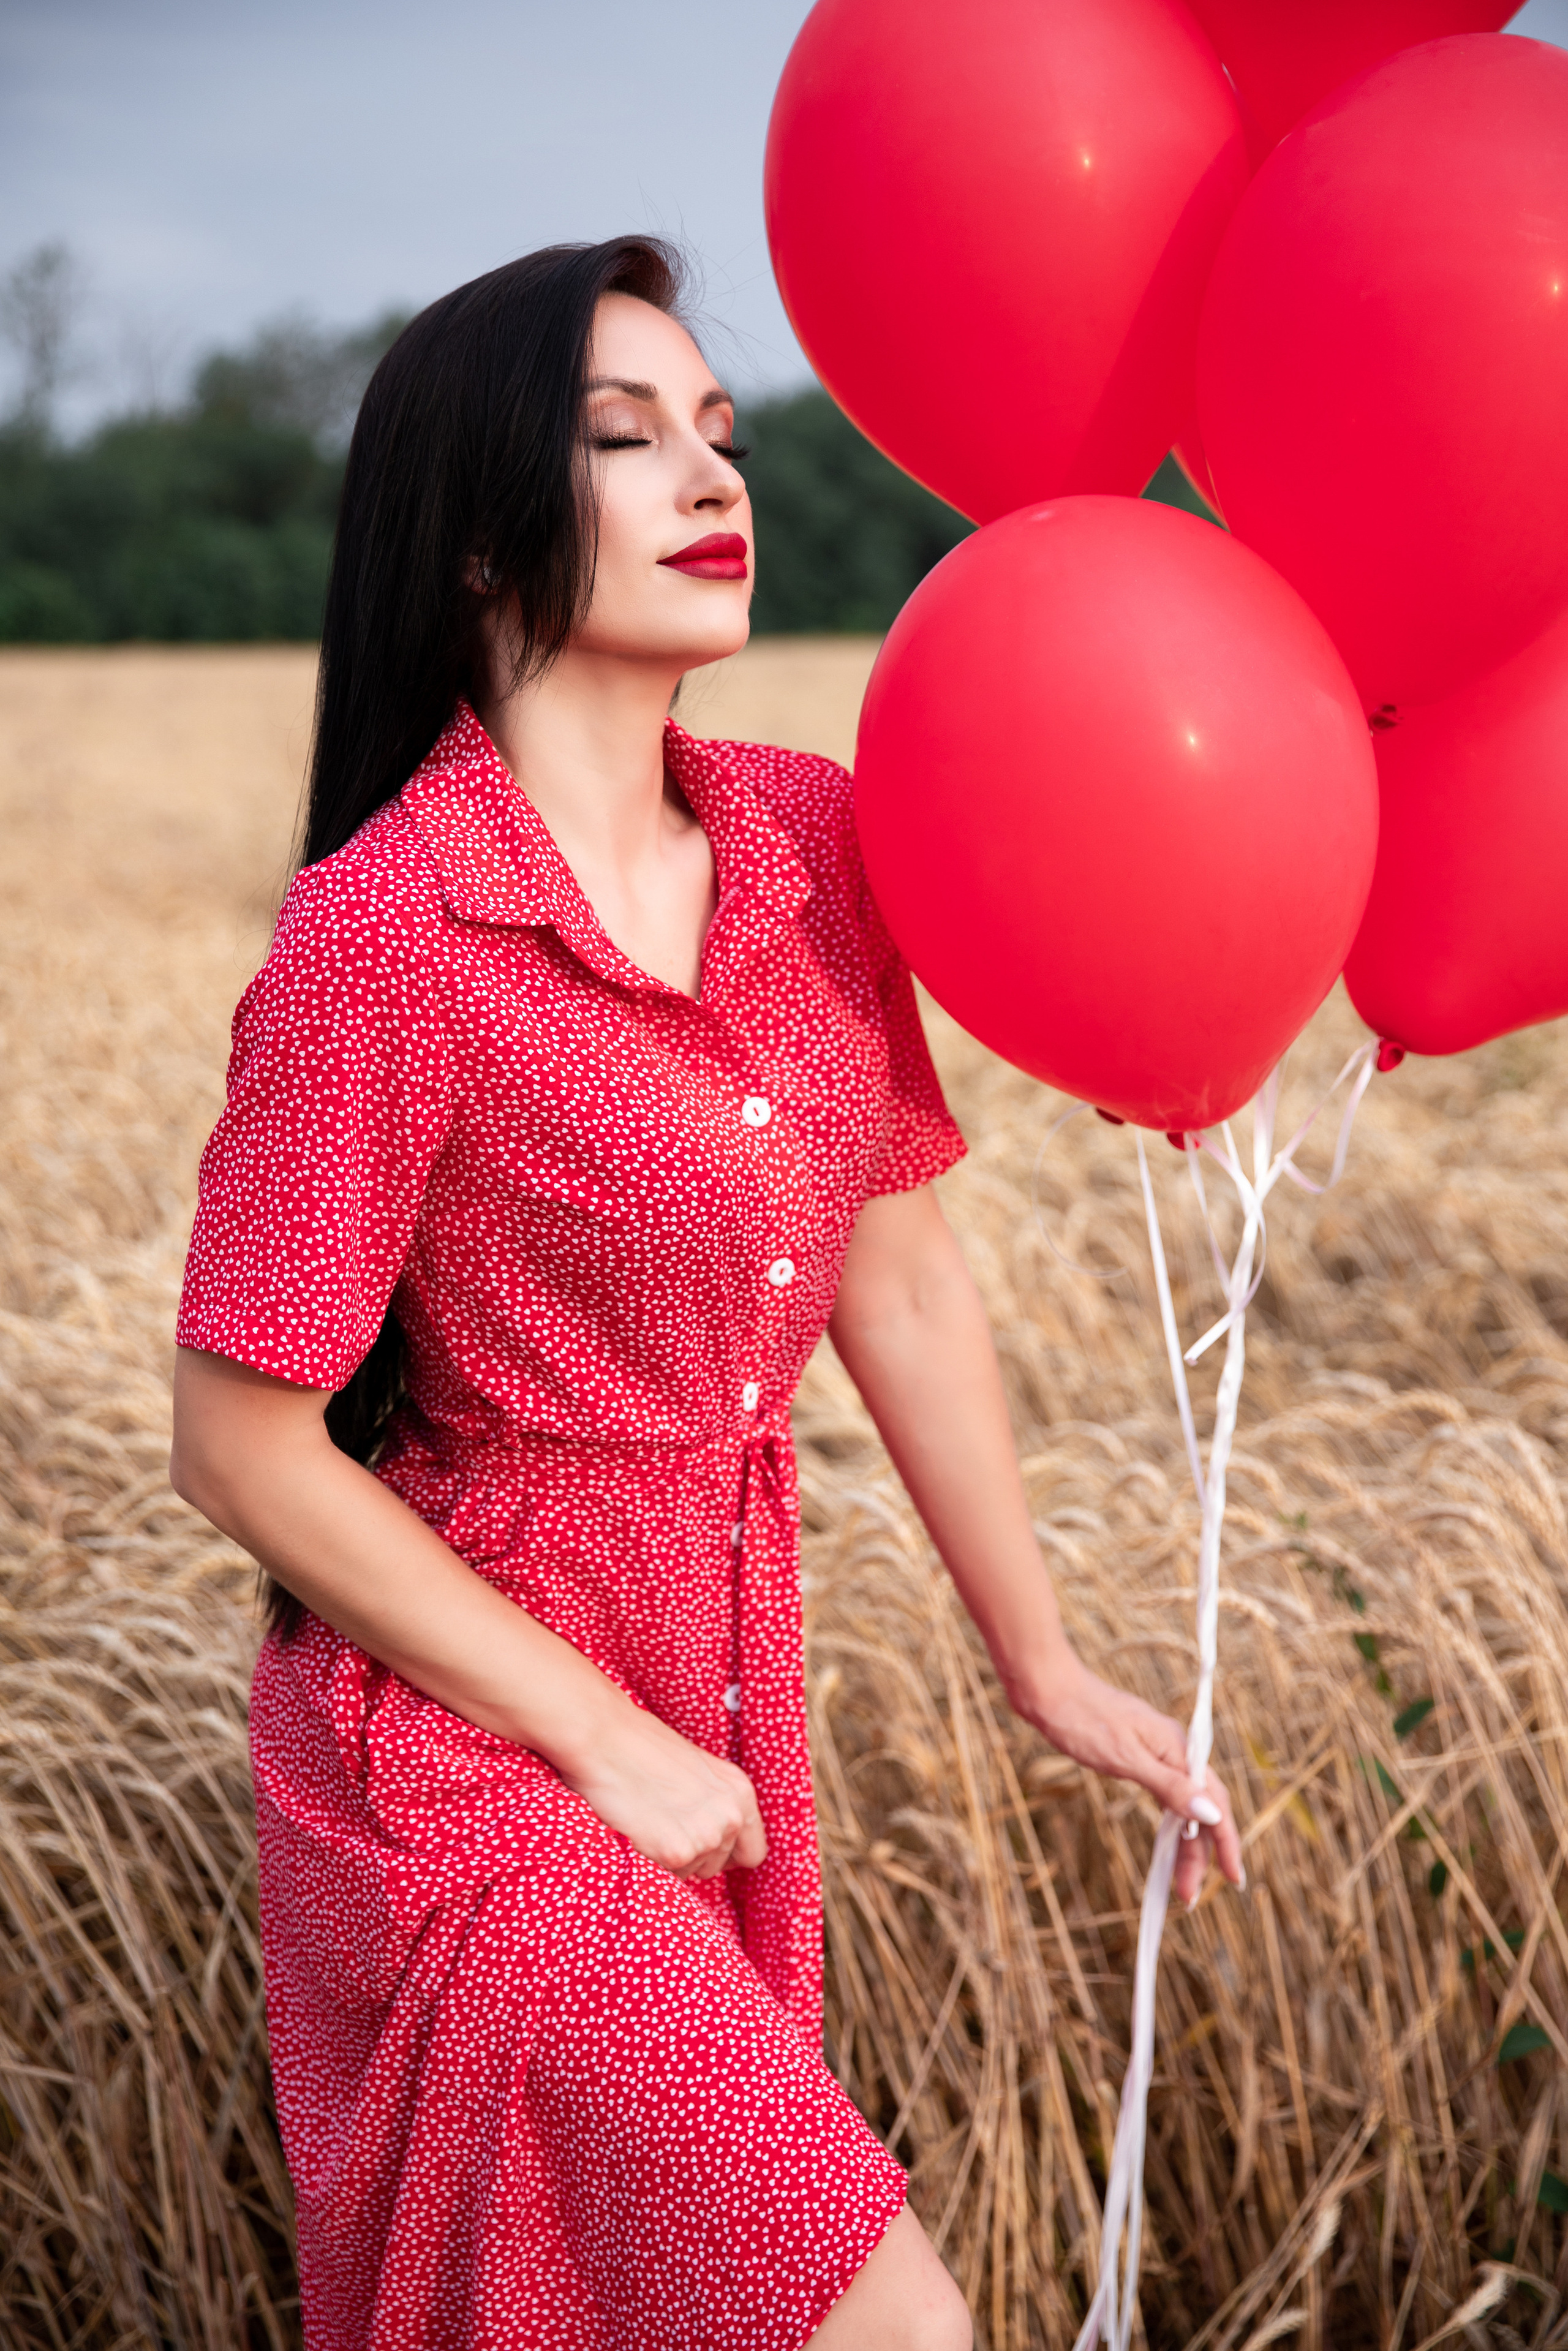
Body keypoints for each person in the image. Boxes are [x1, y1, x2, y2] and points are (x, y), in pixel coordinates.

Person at [170, 236, 1242, 2351]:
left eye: (721, 435)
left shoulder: (822, 845)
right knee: (885, 2319)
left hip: (724, 1666)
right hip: (465, 1755)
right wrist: (598, 1741)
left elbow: (895, 1264)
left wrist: (1042, 1659)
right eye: (623, 436)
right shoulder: (381, 939)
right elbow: (236, 1440)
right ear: (479, 534)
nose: (708, 474)